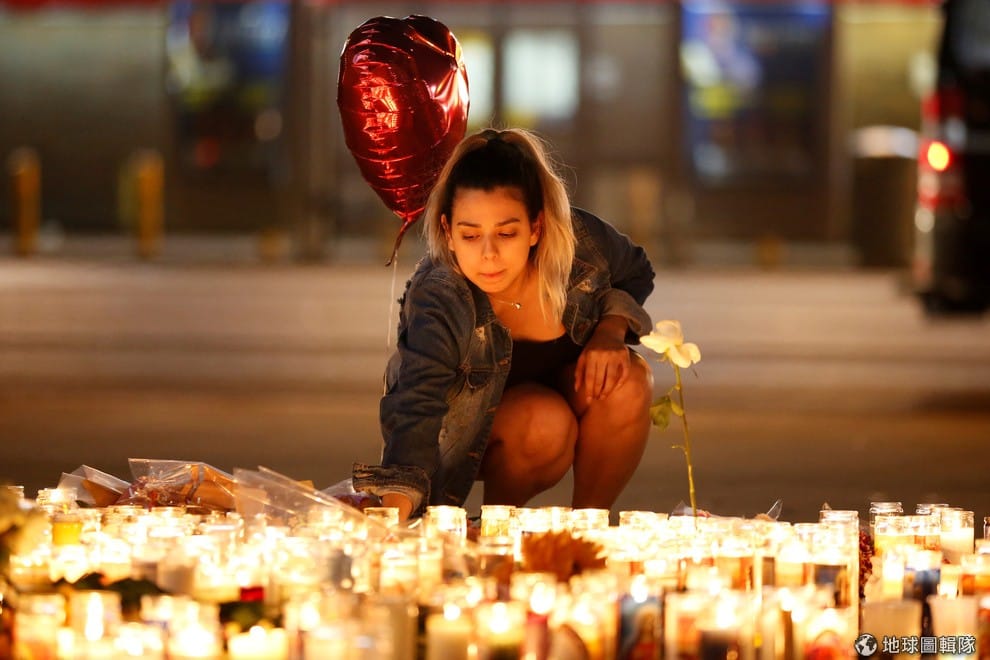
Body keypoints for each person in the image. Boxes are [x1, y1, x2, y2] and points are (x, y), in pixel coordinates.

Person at [352, 128, 655, 521]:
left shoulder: (581, 243)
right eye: (470, 235)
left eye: (507, 233)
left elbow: (636, 271)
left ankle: (588, 526)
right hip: (471, 430)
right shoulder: (439, 294)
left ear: (536, 228)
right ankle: (495, 529)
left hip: (566, 394)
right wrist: (394, 517)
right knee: (544, 422)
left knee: (629, 379)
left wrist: (610, 332)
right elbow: (417, 402)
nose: (489, 254)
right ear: (447, 231)